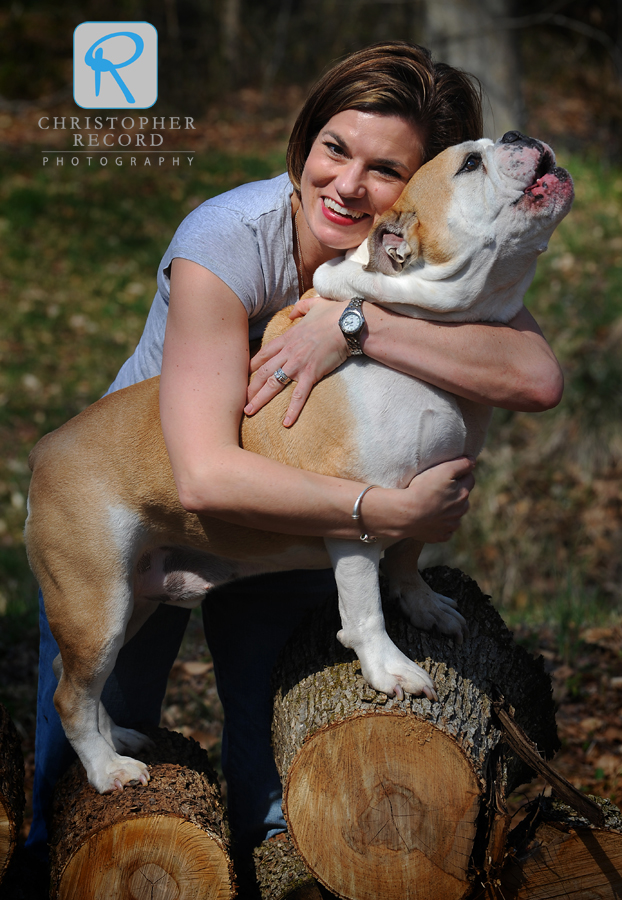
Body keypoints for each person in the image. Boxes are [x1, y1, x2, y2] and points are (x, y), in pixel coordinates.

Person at [26, 41, 563, 883]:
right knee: (88, 717)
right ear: (304, 144)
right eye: (334, 149)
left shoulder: (419, 275)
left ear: (405, 221)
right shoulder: (228, 238)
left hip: (290, 520)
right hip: (145, 487)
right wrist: (380, 516)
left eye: (386, 169)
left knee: (277, 758)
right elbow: (202, 473)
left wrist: (349, 322)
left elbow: (536, 377)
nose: (348, 184)